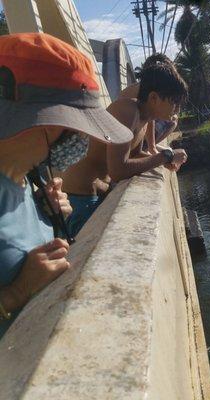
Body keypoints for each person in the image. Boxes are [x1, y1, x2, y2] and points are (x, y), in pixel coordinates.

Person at [0, 33, 133, 337]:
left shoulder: (26, 178)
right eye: (74, 126)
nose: (80, 138)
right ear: (37, 121)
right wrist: (16, 293)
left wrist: (46, 215)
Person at [61, 60, 189, 236]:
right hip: (80, 198)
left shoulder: (145, 118)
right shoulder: (127, 111)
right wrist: (165, 156)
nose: (177, 109)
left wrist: (164, 161)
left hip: (97, 194)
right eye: (174, 102)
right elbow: (118, 170)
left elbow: (135, 155)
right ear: (153, 98)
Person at [119, 53, 179, 155]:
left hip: (126, 139)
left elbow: (149, 118)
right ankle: (148, 147)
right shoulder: (138, 97)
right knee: (172, 121)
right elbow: (121, 165)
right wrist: (156, 152)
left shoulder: (139, 89)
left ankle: (149, 146)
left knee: (169, 117)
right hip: (123, 143)